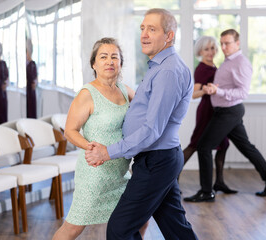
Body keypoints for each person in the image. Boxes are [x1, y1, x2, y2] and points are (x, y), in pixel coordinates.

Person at [85, 9, 198, 240]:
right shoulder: (159, 66)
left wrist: (108, 152)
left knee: (119, 229)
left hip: (157, 161)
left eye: (152, 29)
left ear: (169, 36)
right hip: (159, 159)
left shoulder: (168, 71)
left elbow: (151, 130)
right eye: (142, 28)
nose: (144, 35)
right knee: (176, 228)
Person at [52, 38, 148, 240]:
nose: (110, 61)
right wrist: (91, 148)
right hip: (95, 173)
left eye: (115, 57)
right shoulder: (87, 93)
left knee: (140, 217)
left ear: (120, 63)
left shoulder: (123, 89)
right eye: (103, 57)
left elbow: (145, 107)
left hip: (120, 172)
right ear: (94, 64)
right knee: (74, 227)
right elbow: (70, 130)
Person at [184, 29, 266, 203]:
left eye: (227, 43)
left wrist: (217, 90)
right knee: (247, 147)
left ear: (237, 43)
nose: (223, 47)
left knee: (204, 147)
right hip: (226, 111)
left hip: (228, 112)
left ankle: (207, 192)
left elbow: (243, 92)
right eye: (221, 43)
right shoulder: (228, 61)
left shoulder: (241, 62)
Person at [181, 36, 237, 194]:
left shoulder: (213, 66)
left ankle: (219, 182)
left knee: (224, 145)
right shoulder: (202, 69)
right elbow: (193, 94)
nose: (210, 52)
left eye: (212, 48)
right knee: (194, 145)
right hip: (207, 110)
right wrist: (204, 90)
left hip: (217, 110)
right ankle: (173, 179)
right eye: (207, 49)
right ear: (200, 51)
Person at [26, 39, 37, 118]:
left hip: (30, 93)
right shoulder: (28, 64)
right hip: (29, 92)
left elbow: (35, 78)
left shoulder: (31, 64)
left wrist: (35, 83)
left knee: (31, 112)